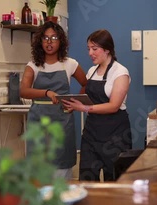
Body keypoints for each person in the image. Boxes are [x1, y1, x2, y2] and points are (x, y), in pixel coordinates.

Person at [20, 21, 87, 180]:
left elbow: (86, 84)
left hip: (63, 121)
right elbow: (23, 90)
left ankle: (61, 201)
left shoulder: (70, 64)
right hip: (38, 122)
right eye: (45, 38)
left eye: (54, 37)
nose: (49, 42)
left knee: (61, 165)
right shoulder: (34, 66)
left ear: (61, 41)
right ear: (40, 41)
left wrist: (75, 104)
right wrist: (46, 92)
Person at [62, 29, 132, 182]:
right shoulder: (91, 71)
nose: (90, 53)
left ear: (107, 49)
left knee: (113, 179)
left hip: (115, 134)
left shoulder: (120, 72)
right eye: (88, 49)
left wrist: (85, 108)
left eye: (94, 49)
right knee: (87, 178)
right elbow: (85, 96)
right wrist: (74, 104)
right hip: (91, 133)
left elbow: (114, 105)